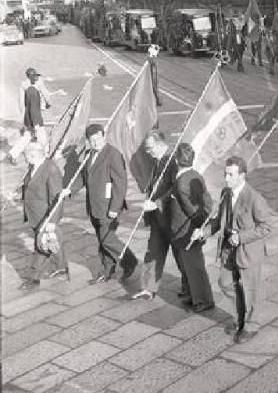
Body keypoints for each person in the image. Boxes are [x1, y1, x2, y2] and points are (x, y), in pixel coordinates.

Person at [199, 156, 272, 343]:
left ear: (242, 175)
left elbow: (266, 227)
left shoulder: (254, 198)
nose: (227, 178)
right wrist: (205, 232)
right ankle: (241, 317)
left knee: (250, 290)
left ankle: (251, 325)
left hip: (248, 252)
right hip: (228, 250)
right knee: (225, 283)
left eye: (231, 175)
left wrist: (242, 237)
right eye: (225, 174)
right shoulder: (225, 193)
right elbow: (219, 220)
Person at [63, 124, 138, 284]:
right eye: (92, 140)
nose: (95, 142)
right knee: (102, 240)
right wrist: (70, 190)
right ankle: (107, 270)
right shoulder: (91, 154)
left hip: (108, 207)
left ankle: (130, 261)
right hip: (94, 206)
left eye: (98, 139)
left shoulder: (113, 154)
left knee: (107, 239)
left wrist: (114, 209)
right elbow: (84, 177)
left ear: (104, 137)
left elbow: (120, 183)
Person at [132, 132, 180, 301]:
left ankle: (190, 288)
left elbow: (177, 189)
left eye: (150, 148)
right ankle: (147, 288)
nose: (148, 151)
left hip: (170, 218)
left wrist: (157, 202)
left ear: (160, 144)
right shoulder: (156, 160)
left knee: (181, 256)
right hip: (156, 218)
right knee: (153, 252)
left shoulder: (173, 161)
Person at [169, 143, 214, 313]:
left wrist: (201, 228)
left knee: (194, 267)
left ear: (175, 160)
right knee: (188, 266)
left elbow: (193, 210)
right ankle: (191, 295)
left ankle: (203, 300)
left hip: (186, 230)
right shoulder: (195, 175)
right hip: (188, 229)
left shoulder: (181, 183)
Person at [18, 142, 69, 289]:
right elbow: (30, 186)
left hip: (45, 216)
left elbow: (57, 198)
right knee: (52, 241)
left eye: (25, 155)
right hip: (35, 215)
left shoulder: (50, 169)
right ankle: (61, 267)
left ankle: (34, 278)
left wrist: (52, 222)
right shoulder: (33, 166)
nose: (24, 158)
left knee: (40, 246)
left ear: (32, 154)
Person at [8, 68, 52, 164]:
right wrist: (36, 124)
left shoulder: (27, 88)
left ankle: (13, 153)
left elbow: (24, 104)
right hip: (35, 120)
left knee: (27, 136)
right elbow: (33, 109)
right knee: (42, 137)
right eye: (35, 76)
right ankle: (47, 154)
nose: (37, 78)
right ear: (30, 77)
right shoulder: (33, 92)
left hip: (28, 118)